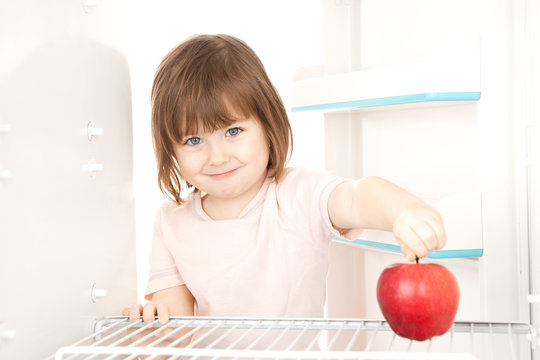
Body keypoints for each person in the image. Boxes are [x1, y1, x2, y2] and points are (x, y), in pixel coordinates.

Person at [123, 33, 446, 334]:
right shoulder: (171, 222)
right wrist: (154, 336)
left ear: (267, 123)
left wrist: (404, 211)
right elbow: (175, 329)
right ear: (170, 148)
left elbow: (357, 197)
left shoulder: (297, 194)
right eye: (194, 139)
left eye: (233, 132)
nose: (217, 156)